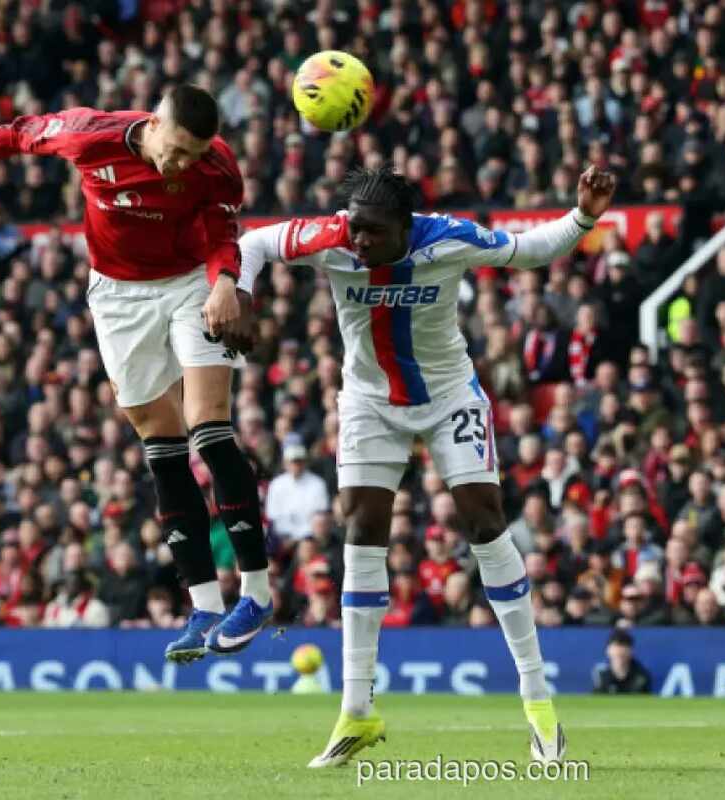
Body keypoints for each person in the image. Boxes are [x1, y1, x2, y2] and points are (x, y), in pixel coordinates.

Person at [236, 164, 617, 766]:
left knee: (485, 523)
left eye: (373, 232)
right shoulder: (332, 238)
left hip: (449, 398)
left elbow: (530, 250)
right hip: (369, 402)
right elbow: (253, 242)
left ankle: (538, 703)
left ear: (405, 226)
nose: (360, 241)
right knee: (361, 530)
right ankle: (356, 711)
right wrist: (237, 292)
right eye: (355, 229)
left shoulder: (447, 237)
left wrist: (584, 216)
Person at [0, 85, 272, 663]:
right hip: (118, 296)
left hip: (192, 283)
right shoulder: (88, 135)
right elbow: (14, 133)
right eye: (175, 150)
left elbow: (221, 234)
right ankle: (205, 607)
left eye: (193, 155)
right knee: (162, 446)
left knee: (209, 425)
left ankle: (257, 594)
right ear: (154, 123)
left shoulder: (215, 165)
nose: (180, 164)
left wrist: (224, 283)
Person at [591, 628, 653, 694]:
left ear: (631, 651)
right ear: (607, 650)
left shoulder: (641, 676)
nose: (619, 651)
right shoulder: (601, 674)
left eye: (623, 647)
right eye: (615, 647)